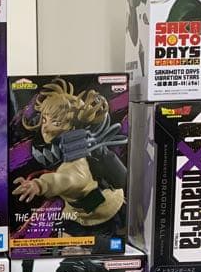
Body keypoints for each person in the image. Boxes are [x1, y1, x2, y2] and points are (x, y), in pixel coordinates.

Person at [12, 79, 127, 243]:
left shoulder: (77, 159)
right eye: (44, 120)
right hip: (78, 214)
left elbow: (66, 179)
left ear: (71, 128)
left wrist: (39, 185)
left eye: (56, 122)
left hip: (106, 213)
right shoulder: (60, 151)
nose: (45, 128)